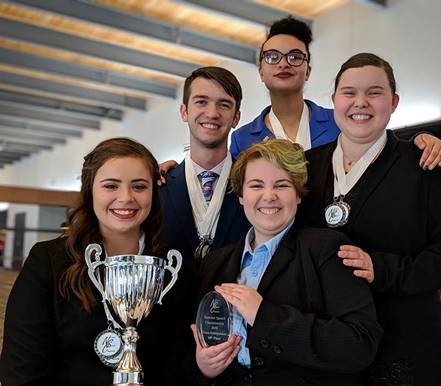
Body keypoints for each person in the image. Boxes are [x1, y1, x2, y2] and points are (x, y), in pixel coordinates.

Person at [301, 53, 441, 385]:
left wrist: (381, 269)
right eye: (349, 92)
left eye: (374, 92)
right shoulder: (307, 167)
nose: (360, 102)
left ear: (394, 101)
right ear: (334, 100)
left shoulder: (423, 167)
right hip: (327, 344)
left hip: (402, 346)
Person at [0, 138, 193, 386]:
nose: (125, 198)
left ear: (153, 193)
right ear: (90, 190)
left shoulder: (172, 268)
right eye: (111, 186)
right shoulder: (48, 262)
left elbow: (180, 366)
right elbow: (21, 370)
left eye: (139, 186)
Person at [189, 139, 383, 386]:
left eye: (281, 185)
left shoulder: (327, 249)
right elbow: (198, 346)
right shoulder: (216, 262)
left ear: (298, 195)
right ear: (240, 195)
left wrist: (264, 316)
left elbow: (360, 343)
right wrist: (205, 368)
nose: (269, 196)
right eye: (256, 185)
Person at [230, 16, 441, 170]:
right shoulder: (242, 138)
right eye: (272, 57)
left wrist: (419, 142)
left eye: (295, 56)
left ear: (308, 71)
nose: (284, 64)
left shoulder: (341, 121)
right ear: (260, 72)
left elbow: (383, 152)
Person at [160, 67, 250, 268]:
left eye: (224, 105)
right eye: (201, 102)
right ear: (184, 111)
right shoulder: (158, 186)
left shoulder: (252, 184)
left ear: (236, 118)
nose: (212, 113)